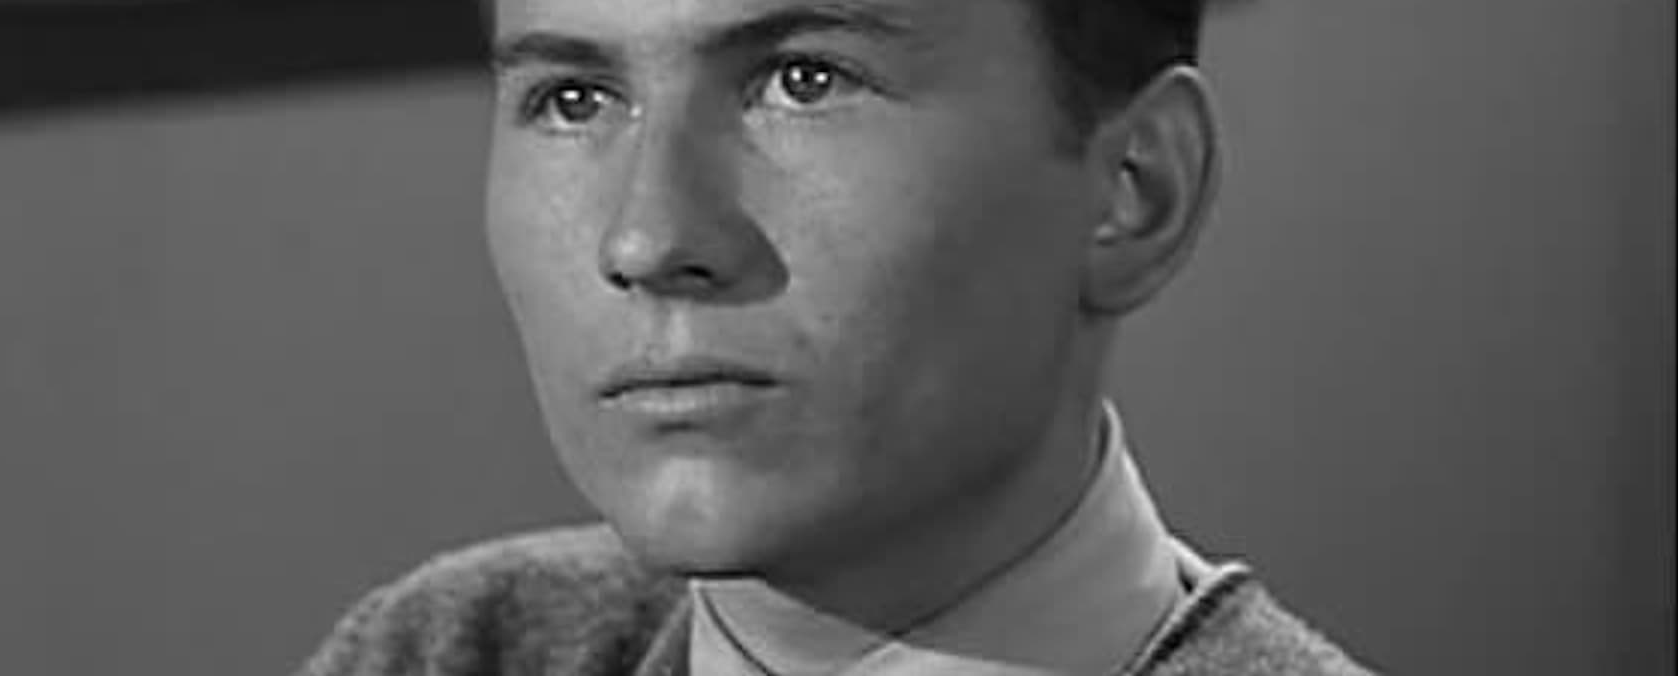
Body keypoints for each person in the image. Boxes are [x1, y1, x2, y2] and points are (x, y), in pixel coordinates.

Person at [301, 0, 1374, 673]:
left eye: (805, 82)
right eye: (574, 97)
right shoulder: (448, 649)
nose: (649, 237)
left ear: (1136, 191)